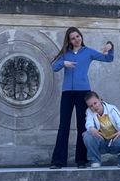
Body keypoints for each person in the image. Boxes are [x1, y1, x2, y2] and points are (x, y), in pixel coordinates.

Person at [49, 27, 114, 168]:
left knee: (82, 126)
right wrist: (63, 63)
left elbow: (108, 58)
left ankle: (81, 160)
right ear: (69, 41)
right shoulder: (65, 54)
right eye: (73, 38)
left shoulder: (88, 52)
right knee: (63, 127)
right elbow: (53, 67)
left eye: (78, 36)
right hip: (67, 93)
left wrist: (110, 45)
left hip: (83, 93)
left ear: (81, 37)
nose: (76, 39)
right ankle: (58, 161)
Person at [84, 91, 120, 168]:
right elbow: (88, 124)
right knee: (87, 135)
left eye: (95, 103)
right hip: (101, 142)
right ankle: (95, 161)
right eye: (91, 106)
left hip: (115, 141)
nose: (94, 107)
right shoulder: (89, 111)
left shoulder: (112, 109)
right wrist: (91, 129)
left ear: (100, 100)